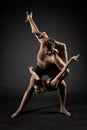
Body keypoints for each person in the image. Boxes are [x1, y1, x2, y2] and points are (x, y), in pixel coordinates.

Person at [11, 12, 74, 118]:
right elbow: (35, 31)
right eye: (47, 50)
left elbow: (65, 69)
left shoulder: (54, 56)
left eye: (51, 50)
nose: (49, 52)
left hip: (52, 70)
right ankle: (19, 110)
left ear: (53, 48)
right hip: (39, 68)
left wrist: (59, 77)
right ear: (44, 45)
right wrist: (30, 19)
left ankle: (62, 108)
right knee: (30, 87)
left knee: (63, 84)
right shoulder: (43, 41)